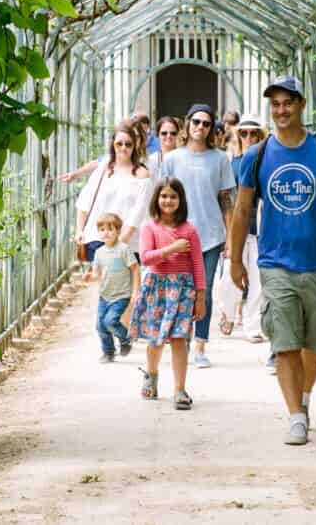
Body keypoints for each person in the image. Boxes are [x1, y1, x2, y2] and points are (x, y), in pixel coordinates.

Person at [229, 76, 316, 446]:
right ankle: (296, 416)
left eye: (288, 103)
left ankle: (303, 394)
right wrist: (236, 260)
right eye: (275, 104)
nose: (281, 110)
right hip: (275, 263)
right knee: (284, 341)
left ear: (301, 104)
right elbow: (241, 212)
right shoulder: (257, 156)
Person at [159, 103, 236, 368]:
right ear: (187, 124)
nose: (200, 127)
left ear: (211, 128)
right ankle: (184, 339)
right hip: (178, 235)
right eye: (196, 122)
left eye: (206, 124)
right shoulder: (172, 159)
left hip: (211, 235)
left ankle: (201, 345)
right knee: (181, 290)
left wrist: (230, 238)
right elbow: (162, 199)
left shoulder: (220, 159)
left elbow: (227, 201)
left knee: (204, 291)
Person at [129, 179, 206, 410]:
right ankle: (151, 374)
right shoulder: (149, 228)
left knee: (179, 338)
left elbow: (198, 265)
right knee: (156, 337)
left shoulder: (189, 230)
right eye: (164, 196)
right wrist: (172, 249)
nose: (168, 200)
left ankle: (180, 389)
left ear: (181, 200)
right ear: (156, 199)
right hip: (157, 287)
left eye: (173, 196)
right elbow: (145, 258)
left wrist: (200, 297)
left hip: (183, 289)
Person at [216, 115, 268, 342]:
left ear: (260, 136)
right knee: (229, 277)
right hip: (236, 228)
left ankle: (252, 326)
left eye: (253, 133)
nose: (249, 137)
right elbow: (226, 198)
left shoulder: (267, 161)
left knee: (258, 280)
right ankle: (227, 313)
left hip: (260, 229)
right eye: (244, 133)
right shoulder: (232, 163)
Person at [74, 122, 151, 262]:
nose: (123, 148)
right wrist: (79, 230)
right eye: (119, 144)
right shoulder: (104, 168)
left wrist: (120, 243)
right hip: (98, 238)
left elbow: (139, 213)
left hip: (128, 245)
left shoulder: (142, 174)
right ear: (113, 145)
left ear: (135, 146)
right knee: (100, 282)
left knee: (123, 284)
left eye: (128, 144)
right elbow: (85, 200)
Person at [85, 213, 140, 363]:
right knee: (100, 326)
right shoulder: (99, 252)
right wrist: (90, 277)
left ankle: (125, 338)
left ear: (118, 231)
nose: (106, 232)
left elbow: (135, 269)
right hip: (105, 295)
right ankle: (108, 352)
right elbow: (97, 274)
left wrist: (135, 291)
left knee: (110, 321)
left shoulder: (123, 249)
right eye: (102, 229)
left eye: (110, 229)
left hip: (121, 295)